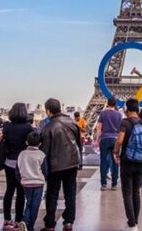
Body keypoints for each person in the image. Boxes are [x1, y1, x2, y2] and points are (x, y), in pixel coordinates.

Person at [40, 98, 82, 231]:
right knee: (70, 193)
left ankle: (50, 223)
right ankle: (69, 221)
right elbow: (78, 143)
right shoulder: (72, 122)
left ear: (48, 111)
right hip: (72, 162)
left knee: (52, 193)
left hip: (55, 165)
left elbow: (44, 151)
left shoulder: (48, 127)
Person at [114, 99, 142, 229]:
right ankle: (136, 221)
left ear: (127, 110)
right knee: (136, 192)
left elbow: (120, 140)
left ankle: (131, 222)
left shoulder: (125, 122)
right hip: (141, 161)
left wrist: (116, 152)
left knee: (127, 192)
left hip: (128, 161)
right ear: (138, 109)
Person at [1, 103, 35, 230]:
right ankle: (18, 219)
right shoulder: (28, 128)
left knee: (9, 190)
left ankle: (6, 219)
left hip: (9, 162)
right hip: (22, 163)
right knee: (21, 193)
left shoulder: (7, 126)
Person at [16, 131, 47, 231]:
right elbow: (45, 170)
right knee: (35, 205)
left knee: (29, 202)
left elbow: (17, 169)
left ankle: (25, 223)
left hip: (26, 183)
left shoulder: (22, 154)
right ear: (40, 143)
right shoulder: (41, 154)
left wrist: (21, 179)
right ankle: (29, 225)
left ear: (26, 142)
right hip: (38, 183)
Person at [96, 98, 122, 191]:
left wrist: (96, 140)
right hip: (115, 140)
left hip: (104, 139)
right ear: (115, 104)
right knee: (115, 162)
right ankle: (114, 184)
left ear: (107, 103)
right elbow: (120, 130)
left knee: (103, 162)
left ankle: (103, 184)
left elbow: (99, 128)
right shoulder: (119, 114)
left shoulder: (103, 113)